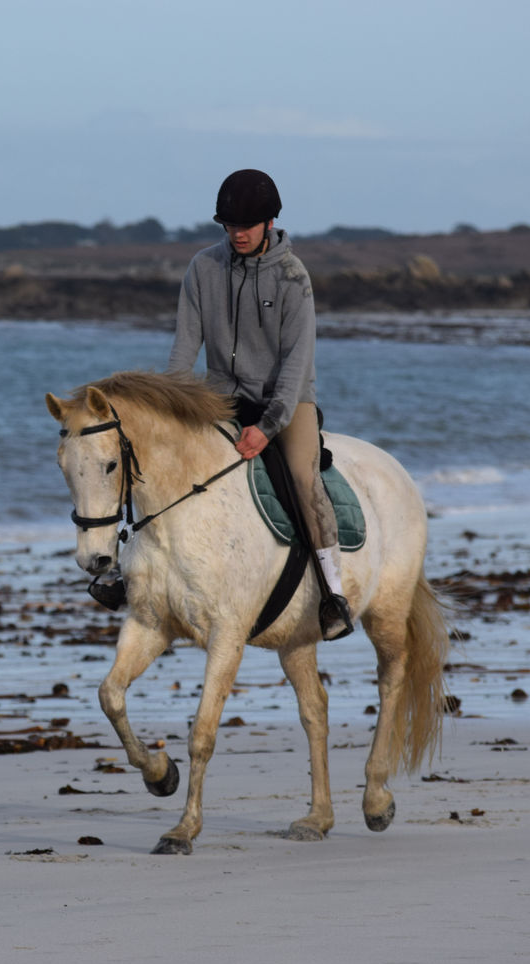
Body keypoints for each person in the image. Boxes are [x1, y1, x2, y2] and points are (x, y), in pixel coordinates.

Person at [168, 168, 353, 640]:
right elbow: (184, 348)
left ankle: (333, 595)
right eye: (230, 226)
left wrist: (268, 427)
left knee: (302, 479)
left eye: (247, 225)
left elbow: (296, 363)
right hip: (220, 398)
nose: (238, 234)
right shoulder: (202, 268)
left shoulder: (294, 278)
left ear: (269, 223)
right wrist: (171, 411)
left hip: (285, 402)